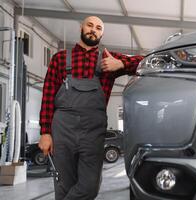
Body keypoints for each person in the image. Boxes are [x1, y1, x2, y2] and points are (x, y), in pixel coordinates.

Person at [38, 16, 144, 200]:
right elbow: (47, 95)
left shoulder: (108, 59)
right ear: (81, 27)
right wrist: (45, 132)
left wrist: (121, 64)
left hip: (93, 130)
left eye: (98, 28)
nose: (93, 30)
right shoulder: (60, 58)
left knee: (90, 187)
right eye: (90, 25)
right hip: (63, 128)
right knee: (63, 184)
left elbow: (145, 62)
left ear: (101, 33)